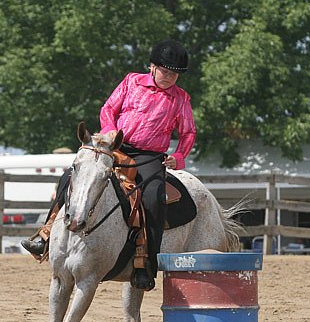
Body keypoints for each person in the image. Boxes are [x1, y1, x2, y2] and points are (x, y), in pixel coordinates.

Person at [22, 40, 195, 291]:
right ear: (152, 67)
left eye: (175, 74)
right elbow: (109, 109)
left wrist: (178, 157)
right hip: (115, 147)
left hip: (149, 156)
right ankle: (46, 234)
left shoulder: (180, 99)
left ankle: (145, 264)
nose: (169, 78)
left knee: (154, 198)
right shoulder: (131, 82)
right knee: (71, 176)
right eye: (165, 72)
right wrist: (111, 133)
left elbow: (188, 132)